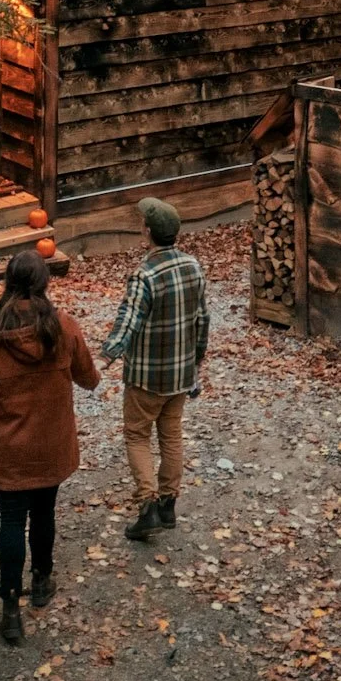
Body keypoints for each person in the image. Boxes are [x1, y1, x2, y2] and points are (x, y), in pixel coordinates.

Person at [0, 248, 99, 646]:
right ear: (44, 283)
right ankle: (41, 581)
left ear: (9, 282)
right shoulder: (63, 327)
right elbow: (88, 378)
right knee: (44, 513)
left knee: (10, 521)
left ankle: (10, 608)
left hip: (10, 448)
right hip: (51, 444)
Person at [101, 197, 210, 544]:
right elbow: (202, 319)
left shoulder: (144, 274)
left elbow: (127, 322)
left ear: (147, 232)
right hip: (180, 374)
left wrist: (106, 356)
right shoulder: (194, 266)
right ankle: (168, 506)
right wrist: (197, 361)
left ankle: (147, 507)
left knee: (137, 436)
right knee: (171, 436)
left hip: (146, 377)